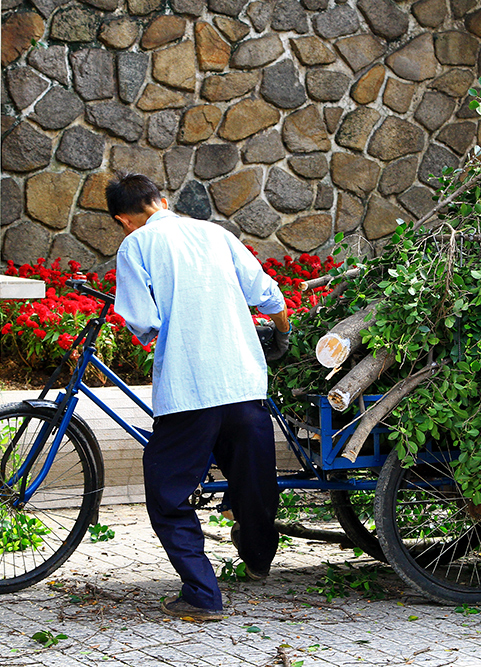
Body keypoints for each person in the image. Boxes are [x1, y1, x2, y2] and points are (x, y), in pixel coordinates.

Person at [108, 172, 291, 622]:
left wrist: (153, 326)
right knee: (253, 480)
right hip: (245, 380)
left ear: (123, 220)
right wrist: (281, 335)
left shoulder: (136, 246)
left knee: (167, 491)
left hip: (191, 388)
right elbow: (267, 295)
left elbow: (143, 321)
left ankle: (202, 594)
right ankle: (258, 560)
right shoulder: (216, 233)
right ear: (163, 200)